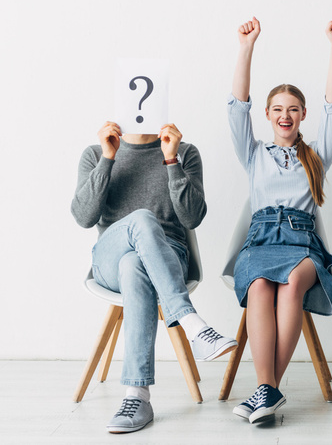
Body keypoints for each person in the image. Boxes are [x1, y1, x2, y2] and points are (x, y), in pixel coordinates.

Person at [71, 122, 237, 434]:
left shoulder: (184, 151)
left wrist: (171, 159)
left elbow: (192, 218)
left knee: (136, 265)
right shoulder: (95, 152)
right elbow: (83, 216)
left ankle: (137, 396)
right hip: (109, 259)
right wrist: (109, 158)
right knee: (141, 221)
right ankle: (193, 325)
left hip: (168, 255)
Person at [227, 17, 332, 424]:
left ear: (302, 115)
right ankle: (269, 390)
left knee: (292, 283)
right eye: (277, 109)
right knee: (260, 285)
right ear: (267, 114)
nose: (285, 115)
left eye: (293, 109)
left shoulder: (316, 155)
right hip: (259, 242)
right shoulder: (253, 153)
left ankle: (264, 392)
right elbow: (236, 108)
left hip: (303, 245)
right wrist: (246, 48)